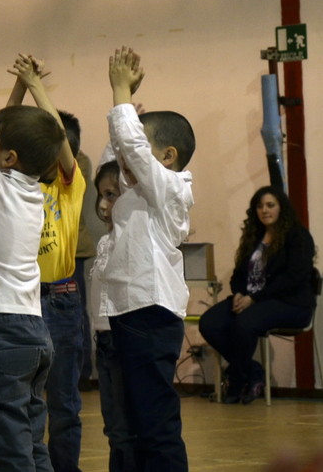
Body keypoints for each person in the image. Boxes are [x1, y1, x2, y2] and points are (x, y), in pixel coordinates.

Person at [101, 47, 195, 471]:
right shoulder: (137, 192)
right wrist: (121, 110)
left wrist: (120, 92)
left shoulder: (171, 189)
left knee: (156, 423)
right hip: (129, 312)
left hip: (151, 313)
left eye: (140, 144)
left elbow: (134, 152)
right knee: (132, 423)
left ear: (168, 156)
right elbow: (121, 159)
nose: (125, 156)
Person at [7, 56, 87, 471]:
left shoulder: (68, 191)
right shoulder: (12, 186)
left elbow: (58, 139)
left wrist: (37, 86)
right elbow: (0, 139)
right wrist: (19, 91)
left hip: (59, 300)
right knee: (23, 403)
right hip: (20, 303)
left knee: (64, 404)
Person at [0, 104, 65, 472]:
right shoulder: (32, 194)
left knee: (8, 444)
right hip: (34, 328)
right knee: (30, 440)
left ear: (9, 157)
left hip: (2, 328)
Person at [199, 186, 318, 404]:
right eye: (260, 206)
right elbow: (238, 276)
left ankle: (236, 380)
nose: (264, 210)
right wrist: (238, 293)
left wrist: (254, 298)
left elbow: (294, 279)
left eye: (270, 205)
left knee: (244, 323)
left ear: (282, 208)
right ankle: (252, 372)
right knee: (209, 323)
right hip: (252, 301)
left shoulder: (298, 236)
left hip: (290, 303)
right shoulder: (254, 237)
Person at [88, 161, 136, 472]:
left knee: (124, 429)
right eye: (101, 195)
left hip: (122, 340)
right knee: (114, 427)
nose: (104, 204)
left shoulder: (130, 241)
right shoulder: (105, 242)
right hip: (104, 341)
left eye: (112, 195)